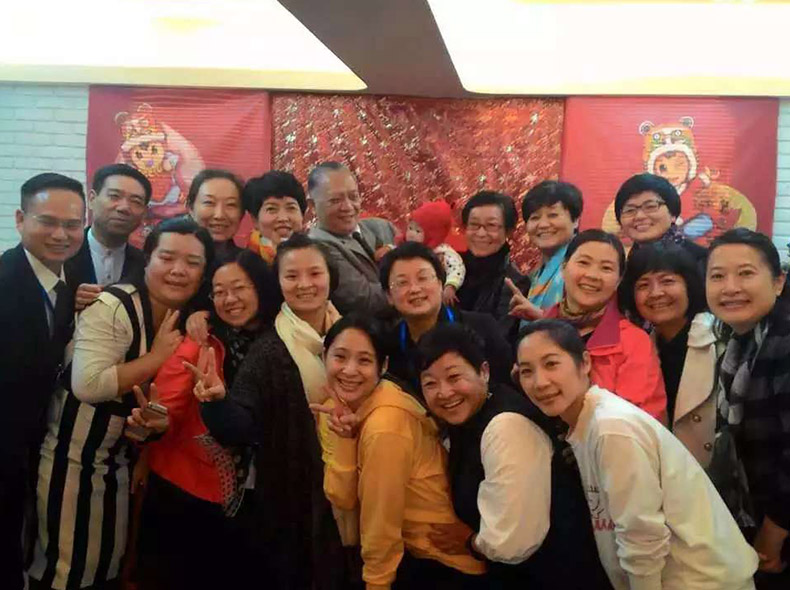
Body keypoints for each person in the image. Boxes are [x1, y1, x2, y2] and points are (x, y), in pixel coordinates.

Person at [28, 217, 213, 590]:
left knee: (104, 569)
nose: (178, 270)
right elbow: (88, 384)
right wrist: (156, 357)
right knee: (67, 570)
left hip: (120, 464)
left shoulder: (184, 320)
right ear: (147, 259)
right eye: (167, 258)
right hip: (74, 461)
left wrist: (154, 428)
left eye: (192, 263)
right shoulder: (114, 305)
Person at [517, 319, 759, 590]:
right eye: (527, 371)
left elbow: (642, 537)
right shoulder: (588, 423)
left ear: (584, 363)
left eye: (551, 364)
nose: (539, 382)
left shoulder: (612, 428)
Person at [197, 233, 350, 590]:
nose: (305, 284)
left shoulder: (349, 331)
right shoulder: (270, 348)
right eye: (291, 276)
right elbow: (242, 424)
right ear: (277, 283)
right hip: (295, 496)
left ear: (330, 276)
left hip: (353, 478)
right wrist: (217, 402)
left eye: (315, 273)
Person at [417, 323, 612, 590]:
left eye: (454, 377)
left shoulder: (506, 427)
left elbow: (511, 543)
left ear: (484, 371)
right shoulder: (467, 419)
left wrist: (471, 542)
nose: (444, 392)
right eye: (430, 383)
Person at [136, 250, 280, 589]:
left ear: (260, 287)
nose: (229, 299)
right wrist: (155, 422)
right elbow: (166, 402)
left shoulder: (282, 337)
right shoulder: (202, 341)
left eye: (239, 288)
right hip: (191, 489)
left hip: (261, 491)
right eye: (219, 292)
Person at [314, 315, 486, 589]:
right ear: (324, 356)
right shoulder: (335, 409)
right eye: (340, 357)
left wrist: (377, 584)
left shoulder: (386, 425)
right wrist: (346, 439)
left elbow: (381, 522)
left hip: (442, 562)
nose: (349, 370)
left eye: (364, 360)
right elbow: (342, 497)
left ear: (383, 366)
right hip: (412, 554)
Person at [0, 173, 85, 590]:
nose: (60, 234)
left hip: (35, 449)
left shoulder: (65, 284)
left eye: (72, 225)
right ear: (20, 219)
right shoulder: (5, 280)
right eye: (47, 221)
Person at [706, 228, 790, 588]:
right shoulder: (736, 341)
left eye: (745, 273)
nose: (730, 288)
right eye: (717, 276)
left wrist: (775, 529)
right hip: (754, 511)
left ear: (778, 282)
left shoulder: (783, 341)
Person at [544, 229, 667, 421]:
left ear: (618, 280)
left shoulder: (633, 342)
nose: (593, 275)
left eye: (606, 268)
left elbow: (640, 421)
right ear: (564, 267)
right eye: (584, 263)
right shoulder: (539, 332)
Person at [620, 242, 717, 466]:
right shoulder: (638, 347)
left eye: (667, 281)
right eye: (643, 285)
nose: (656, 293)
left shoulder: (719, 340)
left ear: (689, 285)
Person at [379, 242, 512, 401]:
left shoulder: (482, 327)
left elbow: (508, 389)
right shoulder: (388, 346)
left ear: (440, 283)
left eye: (423, 278)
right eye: (402, 283)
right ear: (389, 296)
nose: (414, 289)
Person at [307, 161, 396, 316]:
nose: (348, 207)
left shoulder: (382, 227)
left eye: (353, 197)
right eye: (335, 200)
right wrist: (417, 286)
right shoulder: (317, 247)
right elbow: (365, 300)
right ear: (312, 205)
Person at [66, 164, 151, 311]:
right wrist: (66, 303)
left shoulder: (145, 266)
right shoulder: (63, 254)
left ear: (144, 212)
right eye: (114, 196)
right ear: (92, 199)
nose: (124, 207)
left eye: (136, 201)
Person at [455, 190, 529, 344]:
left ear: (508, 231)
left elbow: (498, 339)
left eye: (491, 226)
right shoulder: (450, 270)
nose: (481, 233)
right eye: (474, 225)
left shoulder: (514, 283)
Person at [508, 180, 583, 320]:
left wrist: (541, 317)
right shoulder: (536, 274)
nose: (542, 225)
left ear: (575, 221)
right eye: (535, 217)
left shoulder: (584, 265)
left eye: (553, 215)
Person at [614, 173, 707, 267]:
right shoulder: (622, 267)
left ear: (672, 214)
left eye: (650, 206)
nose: (639, 216)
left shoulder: (702, 261)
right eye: (630, 210)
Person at [405, 200, 465, 306]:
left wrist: (451, 286)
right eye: (410, 228)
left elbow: (457, 268)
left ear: (433, 234)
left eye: (418, 231)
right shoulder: (405, 247)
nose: (411, 234)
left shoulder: (442, 252)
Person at [243, 170, 306, 264]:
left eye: (291, 208)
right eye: (271, 209)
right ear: (255, 220)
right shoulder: (241, 266)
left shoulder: (320, 258)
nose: (283, 218)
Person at [187, 168, 245, 263]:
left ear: (242, 213)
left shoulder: (248, 266)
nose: (219, 215)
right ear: (190, 208)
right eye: (209, 202)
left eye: (230, 204)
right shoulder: (171, 260)